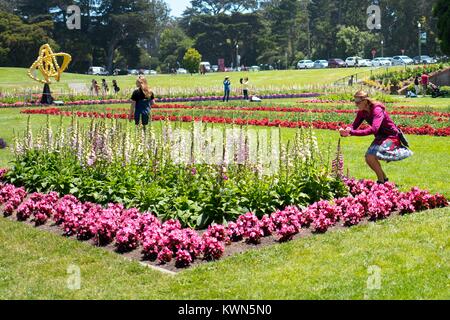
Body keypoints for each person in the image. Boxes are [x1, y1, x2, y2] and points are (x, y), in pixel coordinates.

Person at [339, 91, 413, 184]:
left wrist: (352, 132)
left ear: (365, 101)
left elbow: (374, 129)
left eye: (358, 101)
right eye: (354, 100)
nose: (355, 104)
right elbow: (354, 126)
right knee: (369, 157)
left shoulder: (377, 110)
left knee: (370, 156)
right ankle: (384, 180)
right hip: (380, 137)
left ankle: (380, 182)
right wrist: (346, 130)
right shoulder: (362, 112)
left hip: (392, 136)